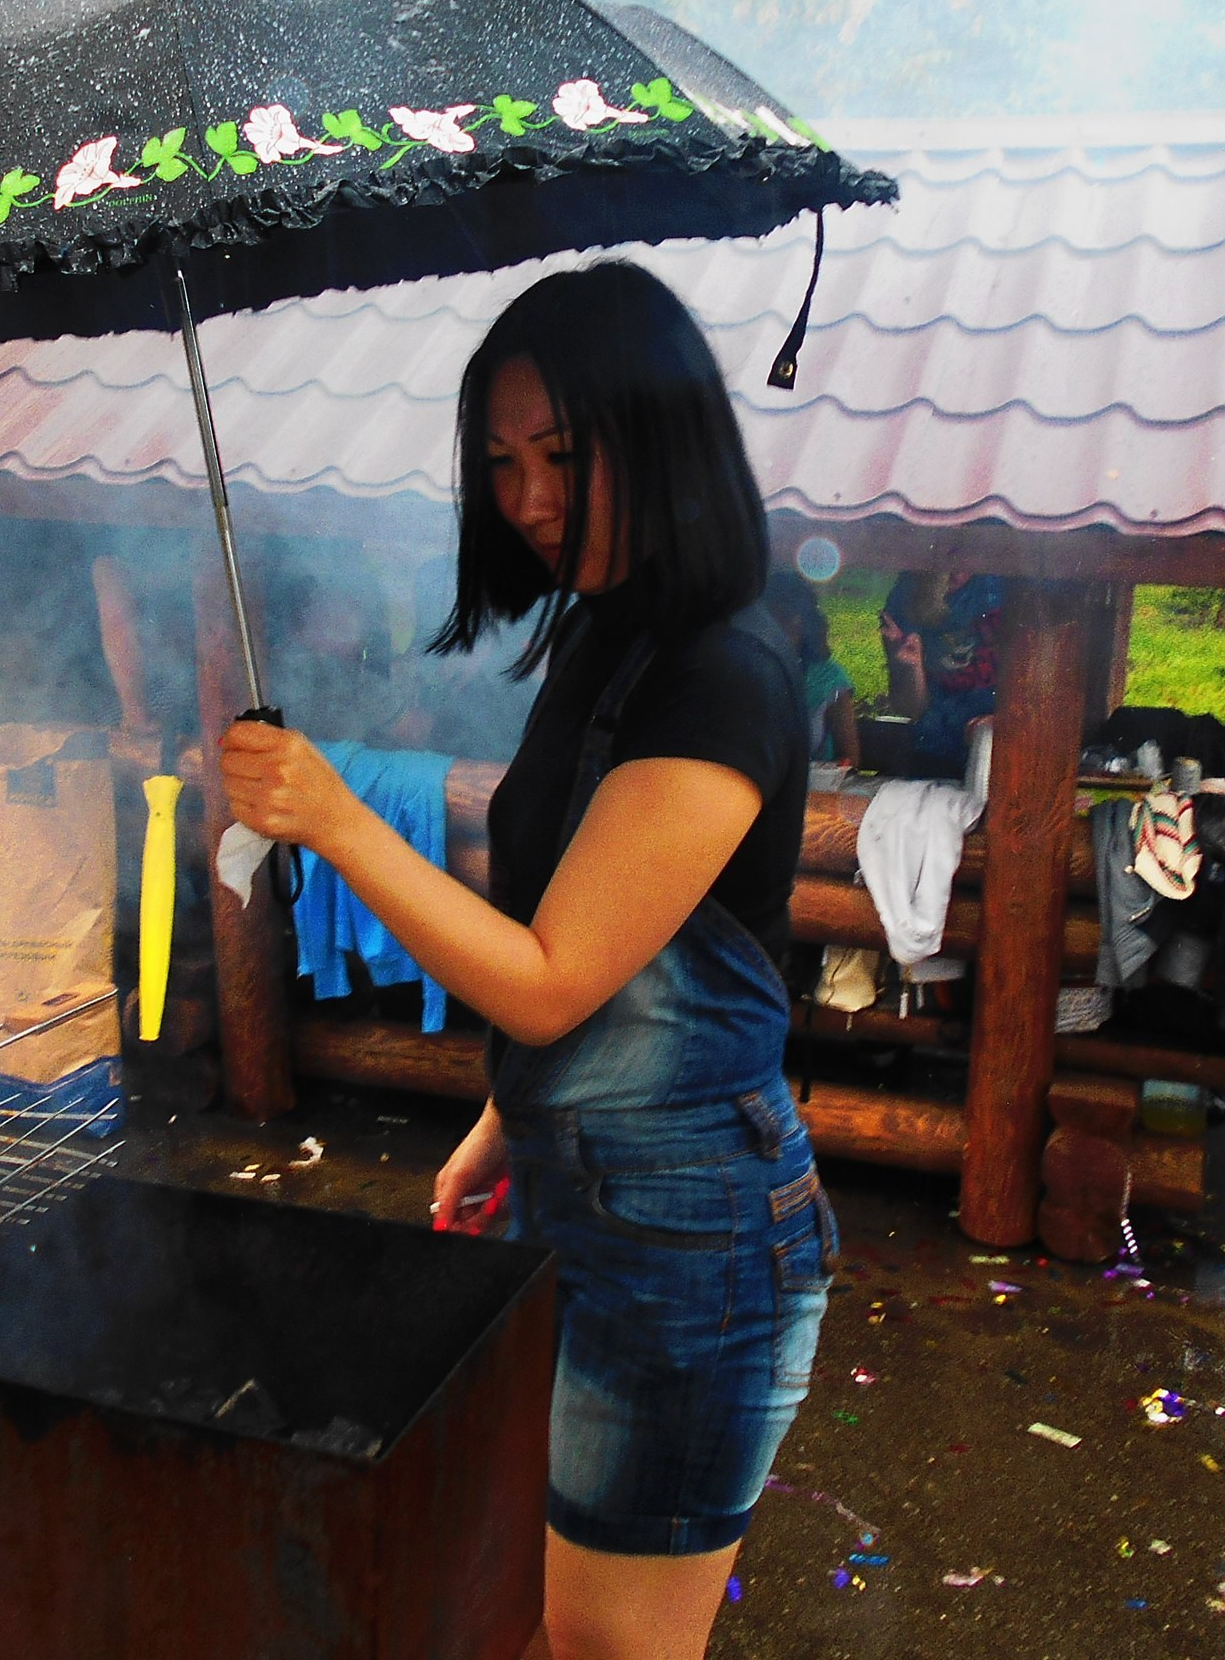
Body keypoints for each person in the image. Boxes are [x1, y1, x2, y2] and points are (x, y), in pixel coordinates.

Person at [221, 263, 829, 1660]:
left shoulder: (725, 673)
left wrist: (332, 813)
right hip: (590, 1186)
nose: (532, 499)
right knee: (554, 1626)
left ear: (662, 434)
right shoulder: (609, 629)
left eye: (564, 455)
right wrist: (512, 1117)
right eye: (502, 464)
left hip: (696, 1234)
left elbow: (554, 972)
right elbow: (614, 948)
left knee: (608, 1649)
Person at [0, 519, 148, 1036]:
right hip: (31, 734)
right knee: (23, 871)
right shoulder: (84, 518)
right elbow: (118, 622)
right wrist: (136, 713)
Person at [879, 569, 1002, 776]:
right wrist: (913, 667)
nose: (957, 571)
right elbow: (911, 708)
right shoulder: (907, 594)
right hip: (937, 751)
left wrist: (1005, 721)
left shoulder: (1005, 580)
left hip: (1004, 747)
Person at [763, 569, 859, 766]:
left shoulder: (830, 678)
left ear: (803, 622)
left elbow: (851, 759)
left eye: (785, 617)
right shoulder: (746, 670)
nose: (775, 630)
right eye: (768, 620)